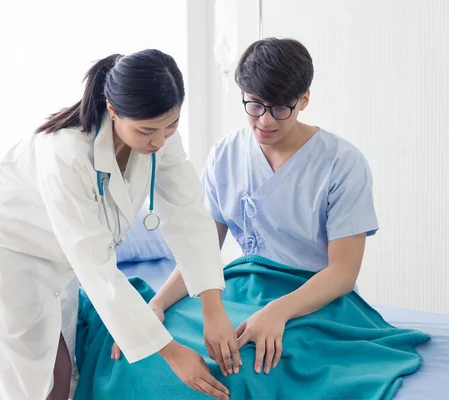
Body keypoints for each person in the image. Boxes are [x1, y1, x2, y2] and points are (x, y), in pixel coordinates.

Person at [0, 49, 241, 400]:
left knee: (62, 376)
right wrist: (172, 353)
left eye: (171, 126)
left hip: (63, 260)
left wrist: (213, 310)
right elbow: (97, 268)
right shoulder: (65, 153)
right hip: (12, 255)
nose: (159, 140)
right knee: (33, 382)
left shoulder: (161, 137)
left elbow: (189, 216)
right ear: (113, 110)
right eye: (147, 130)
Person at [113, 38, 379, 380]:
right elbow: (202, 250)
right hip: (243, 288)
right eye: (254, 105)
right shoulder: (225, 154)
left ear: (305, 99)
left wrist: (278, 312)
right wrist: (158, 305)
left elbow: (343, 272)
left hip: (312, 301)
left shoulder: (342, 163)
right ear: (241, 96)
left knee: (245, 364)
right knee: (159, 346)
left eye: (280, 108)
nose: (265, 121)